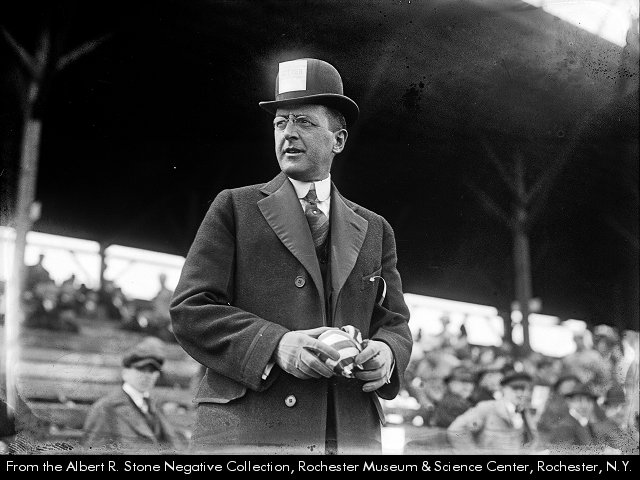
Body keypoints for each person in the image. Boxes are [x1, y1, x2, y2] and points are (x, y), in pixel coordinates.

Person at [170, 57, 412, 454]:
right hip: (251, 432)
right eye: (280, 123)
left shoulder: (375, 228)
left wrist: (386, 352)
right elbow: (190, 309)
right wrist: (275, 345)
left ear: (338, 140)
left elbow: (394, 322)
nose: (288, 134)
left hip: (347, 434)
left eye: (304, 122)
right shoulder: (234, 207)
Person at [81, 337, 182, 452]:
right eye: (141, 369)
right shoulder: (105, 408)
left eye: (152, 371)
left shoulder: (155, 406)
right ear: (125, 372)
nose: (146, 376)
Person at [447, 369, 539, 453]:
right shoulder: (488, 408)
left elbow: (529, 442)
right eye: (517, 388)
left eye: (528, 389)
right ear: (504, 388)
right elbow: (456, 431)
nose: (523, 393)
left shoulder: (524, 412)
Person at [541, 383, 636, 454]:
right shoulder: (567, 425)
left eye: (587, 400)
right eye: (578, 400)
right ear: (569, 402)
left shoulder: (589, 424)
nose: (583, 405)